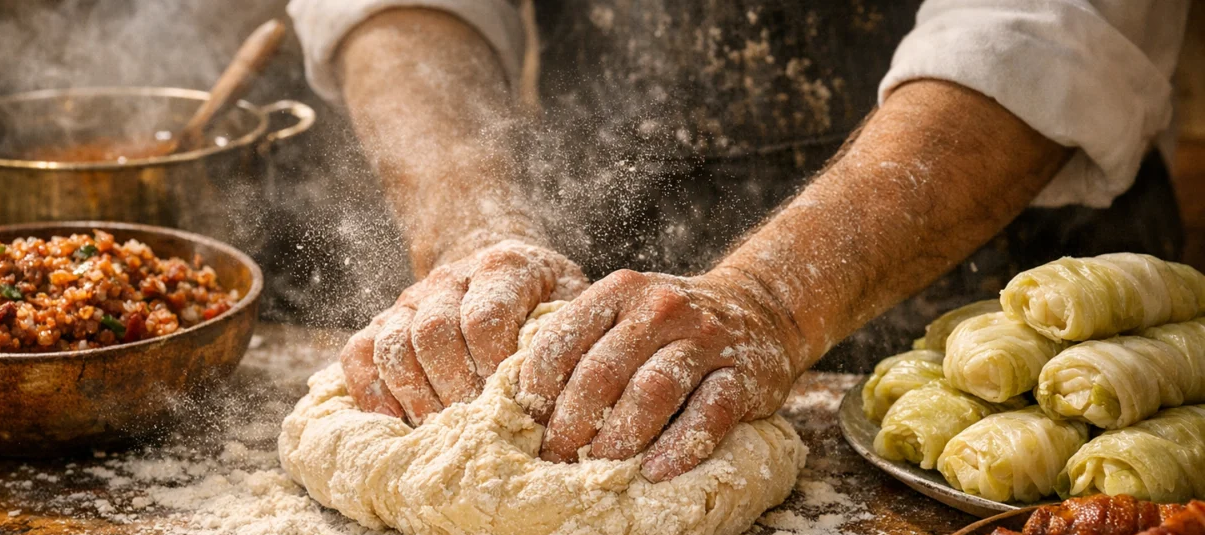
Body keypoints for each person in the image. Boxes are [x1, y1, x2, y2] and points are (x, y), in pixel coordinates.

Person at [287, 0, 1190, 481]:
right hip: (609, 289)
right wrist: (472, 236)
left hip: (1003, 323)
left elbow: (1044, 30)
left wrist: (769, 300)